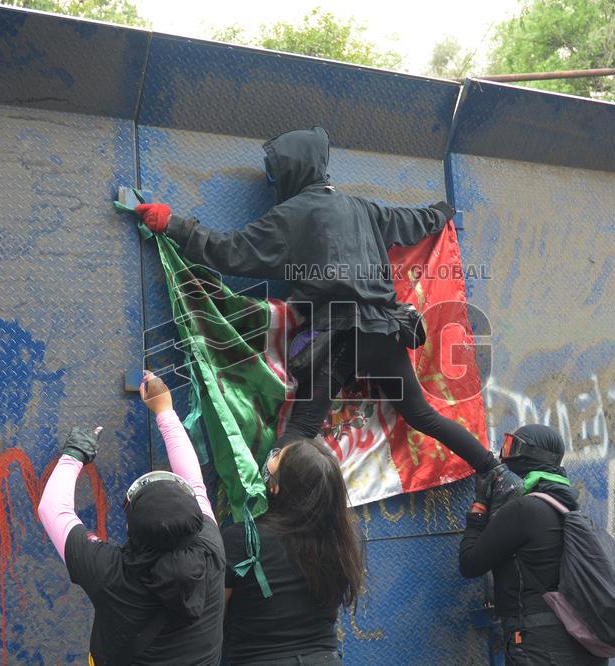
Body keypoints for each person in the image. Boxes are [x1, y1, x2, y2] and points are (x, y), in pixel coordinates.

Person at [133, 126, 495, 475]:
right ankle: (494, 471)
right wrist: (441, 213)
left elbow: (231, 252)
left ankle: (266, 500)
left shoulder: (290, 216)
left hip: (340, 337)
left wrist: (173, 224)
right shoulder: (362, 208)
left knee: (301, 428)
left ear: (291, 170)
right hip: (385, 331)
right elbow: (413, 222)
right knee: (422, 416)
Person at [38, 372, 225, 665]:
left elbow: (52, 508)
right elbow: (196, 483)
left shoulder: (110, 573)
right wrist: (166, 411)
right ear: (194, 522)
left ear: (129, 527)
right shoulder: (211, 550)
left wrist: (74, 454)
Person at [458, 425, 608, 666]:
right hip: (583, 643)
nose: (504, 456)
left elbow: (470, 563)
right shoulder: (568, 508)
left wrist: (479, 507)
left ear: (530, 455)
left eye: (511, 447)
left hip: (538, 647)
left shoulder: (524, 509)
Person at [222, 436, 364, 665]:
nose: (273, 456)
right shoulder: (339, 541)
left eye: (278, 457)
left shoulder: (241, 539)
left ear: (276, 487)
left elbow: (213, 616)